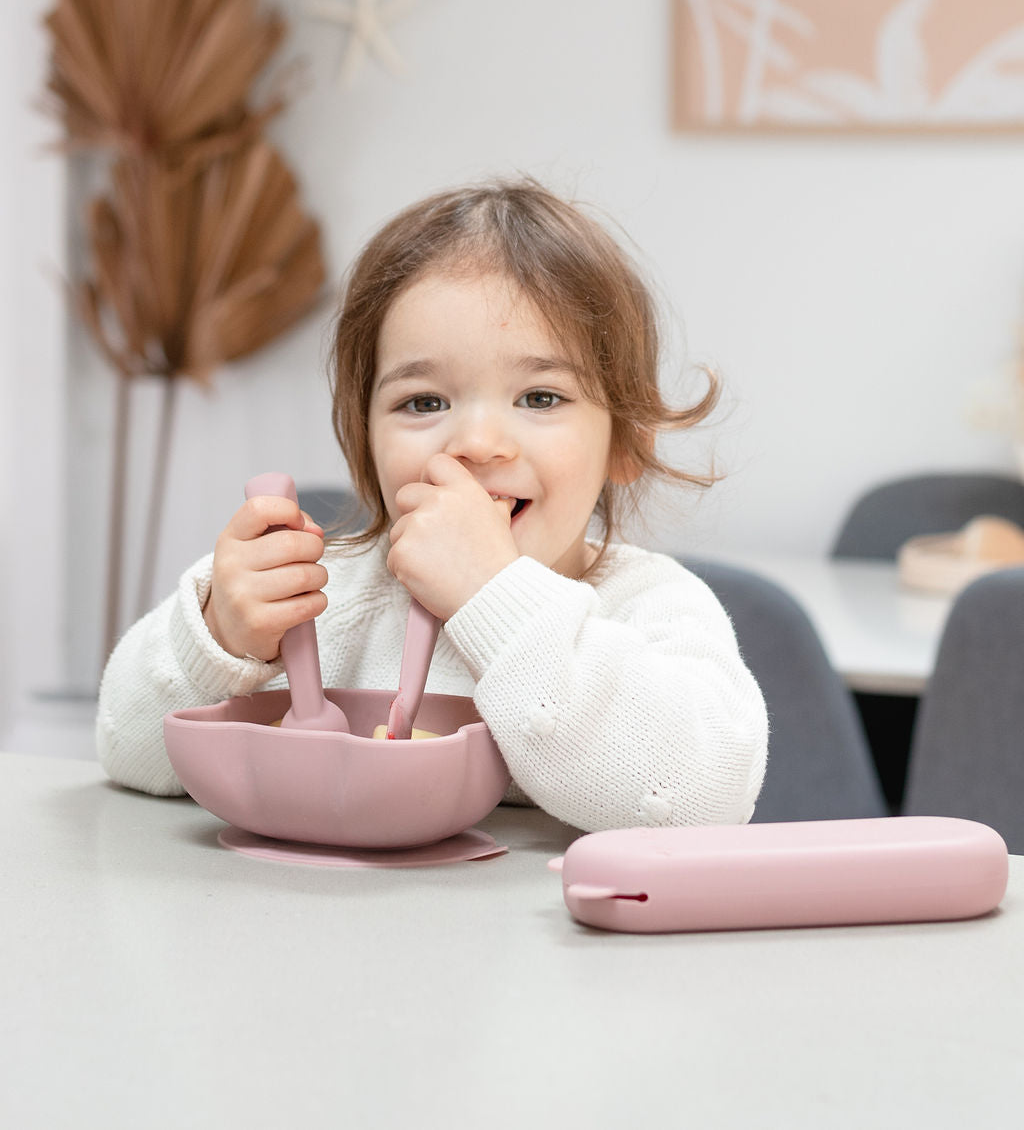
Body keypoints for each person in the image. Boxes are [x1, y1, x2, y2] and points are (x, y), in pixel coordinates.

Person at [97, 178, 767, 830]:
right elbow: (125, 747)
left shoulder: (650, 607)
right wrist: (219, 639)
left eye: (539, 397)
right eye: (423, 402)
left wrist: (494, 596)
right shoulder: (318, 604)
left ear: (625, 440)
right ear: (366, 444)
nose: (476, 442)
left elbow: (705, 796)